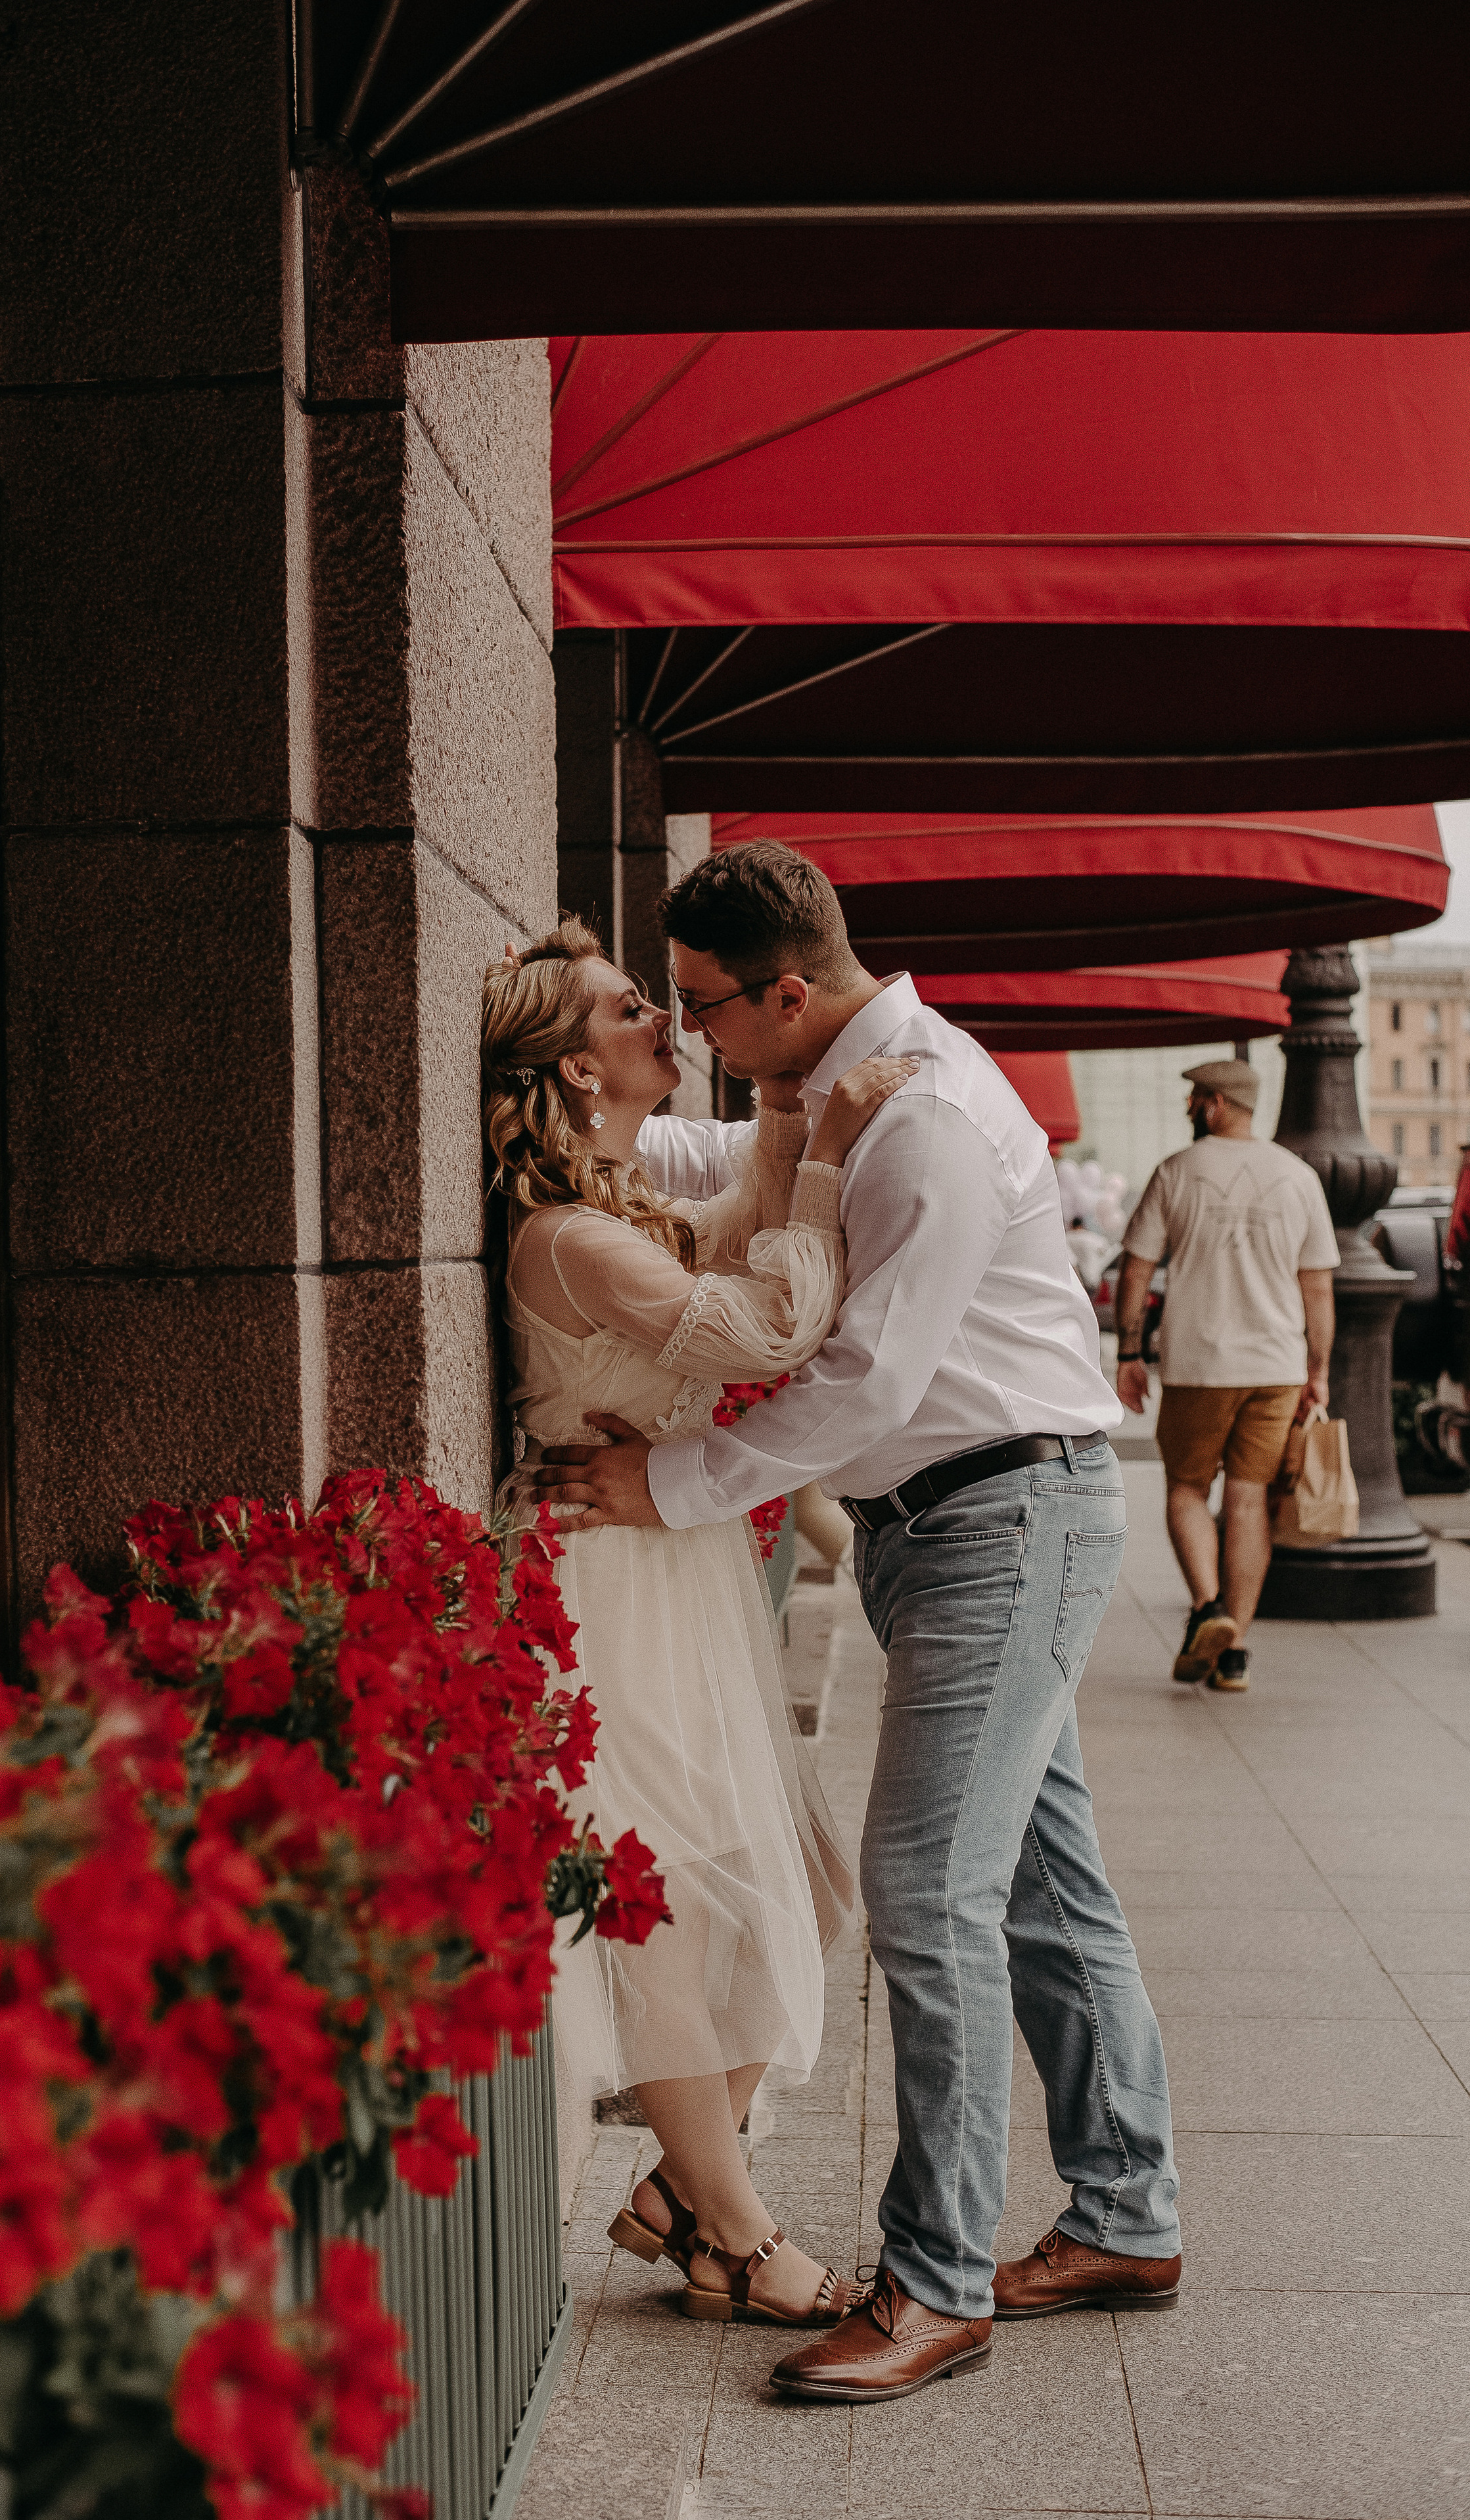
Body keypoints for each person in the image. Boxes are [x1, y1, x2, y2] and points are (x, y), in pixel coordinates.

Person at [534, 842, 1182, 2406]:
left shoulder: (921, 1122)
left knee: (920, 1894)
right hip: (955, 1525)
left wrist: (664, 1481)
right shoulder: (824, 1092)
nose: (687, 1030)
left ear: (786, 991)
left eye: (700, 1005)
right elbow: (702, 1163)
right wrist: (561, 1133)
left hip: (998, 1519)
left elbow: (865, 1382)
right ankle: (1126, 2213)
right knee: (1039, 1880)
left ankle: (933, 2281)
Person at [482, 919, 916, 2329]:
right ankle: (728, 2229)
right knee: (662, 1906)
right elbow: (767, 1326)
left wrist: (789, 1121)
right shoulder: (566, 1235)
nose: (661, 1021)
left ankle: (682, 2187)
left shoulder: (610, 1203)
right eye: (627, 1009)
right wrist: (831, 1151)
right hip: (603, 1582)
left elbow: (733, 1241)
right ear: (566, 1067)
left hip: (667, 1563)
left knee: (808, 1878)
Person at [1115, 1060, 1338, 1693]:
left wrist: (1131, 1355)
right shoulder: (1298, 1179)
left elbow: (1136, 1272)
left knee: (1188, 1489)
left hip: (1199, 1365)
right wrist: (1317, 1371)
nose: (1189, 1106)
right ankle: (1234, 1648)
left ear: (1215, 1104)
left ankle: (1208, 1607)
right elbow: (1318, 1288)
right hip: (1277, 1368)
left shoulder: (1176, 1172)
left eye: (1195, 1097)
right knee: (1248, 1500)